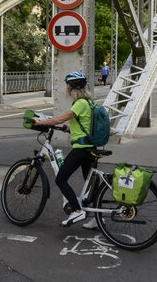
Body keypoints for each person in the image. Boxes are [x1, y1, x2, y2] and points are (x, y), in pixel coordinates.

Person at [31, 71, 97, 228]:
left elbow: (61, 118)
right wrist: (68, 129)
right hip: (90, 147)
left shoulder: (80, 103)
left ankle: (77, 210)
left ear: (71, 87)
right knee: (89, 186)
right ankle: (97, 219)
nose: (66, 89)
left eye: (67, 86)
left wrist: (40, 122)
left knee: (60, 179)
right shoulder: (89, 102)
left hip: (81, 149)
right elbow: (84, 124)